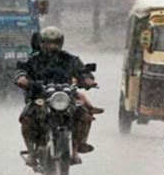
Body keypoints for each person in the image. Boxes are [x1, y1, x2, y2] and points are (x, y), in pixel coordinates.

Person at [15, 26, 103, 167]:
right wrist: (22, 78)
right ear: (42, 43)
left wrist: (88, 79)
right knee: (26, 119)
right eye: (48, 42)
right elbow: (22, 70)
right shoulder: (33, 60)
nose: (52, 46)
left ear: (61, 43)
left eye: (56, 42)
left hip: (65, 97)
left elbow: (82, 72)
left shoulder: (70, 59)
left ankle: (76, 149)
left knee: (85, 116)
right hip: (40, 97)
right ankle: (31, 153)